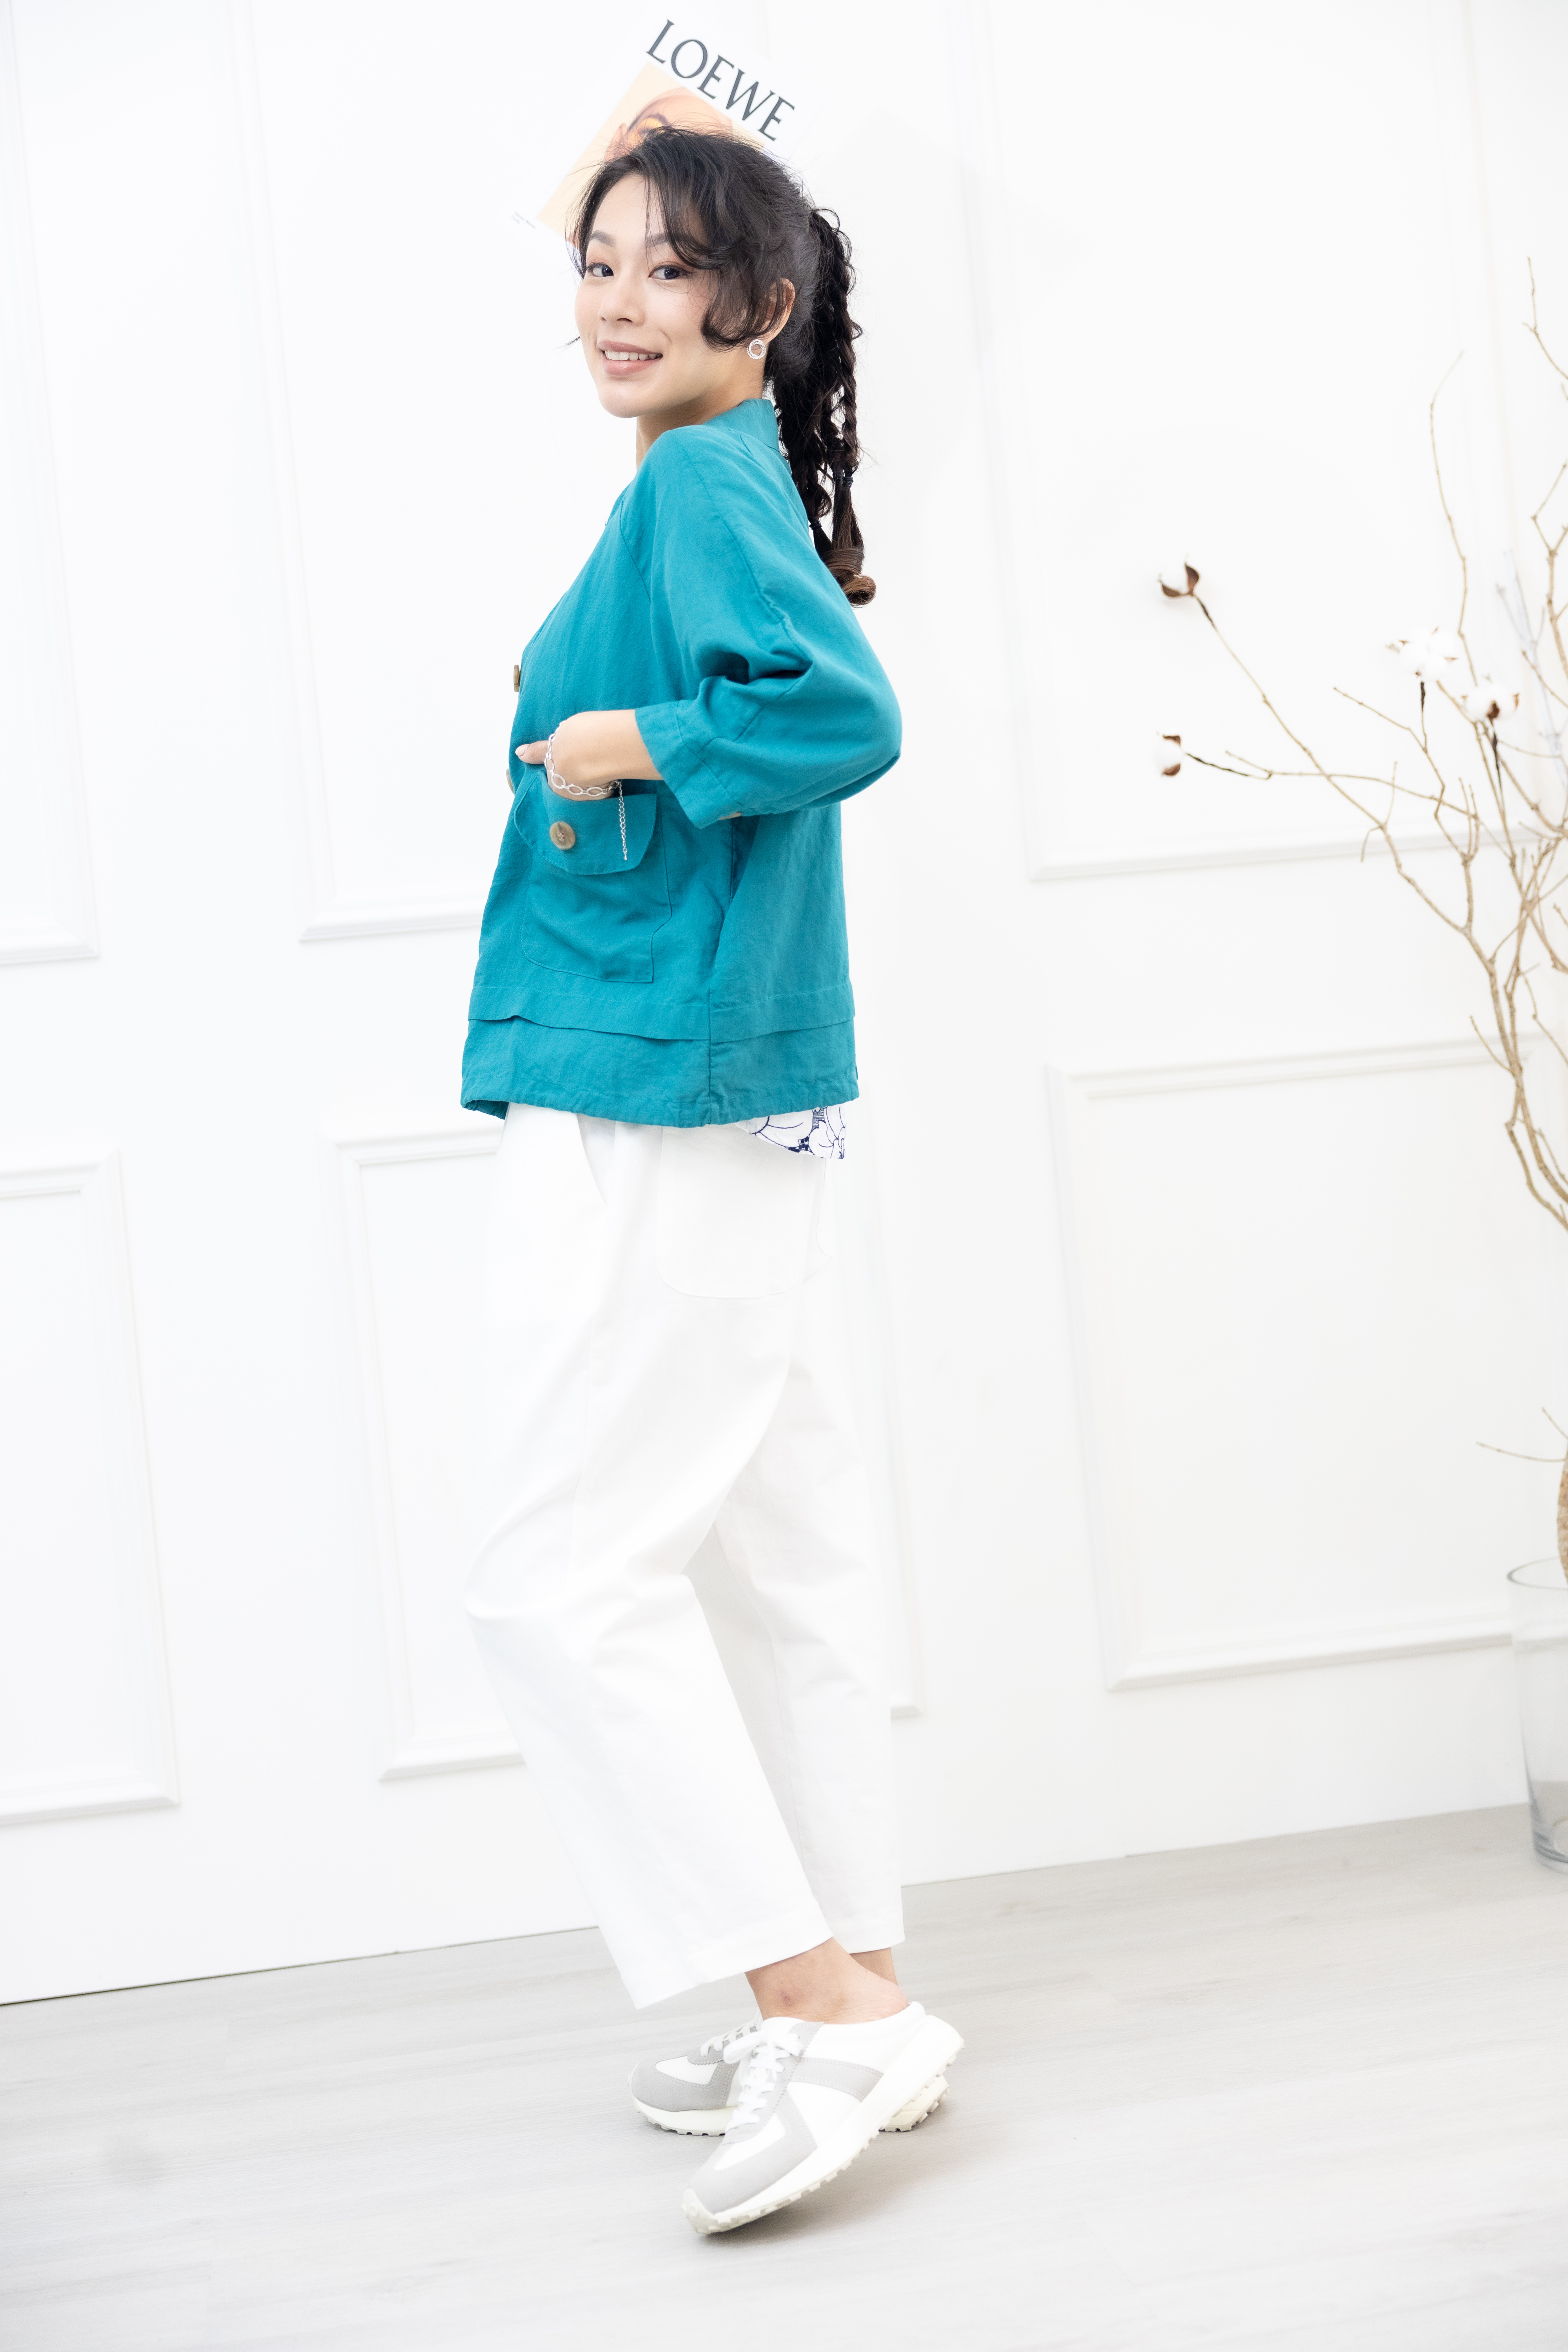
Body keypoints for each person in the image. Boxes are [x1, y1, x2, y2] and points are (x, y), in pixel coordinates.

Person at [461, 126, 960, 2236]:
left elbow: (839, 710)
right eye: (597, 263)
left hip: (664, 1078)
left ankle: (813, 2004)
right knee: (769, 1561)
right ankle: (872, 1994)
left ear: (761, 306)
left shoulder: (695, 485)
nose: (614, 300)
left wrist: (627, 743)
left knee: (557, 1576)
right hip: (718, 1073)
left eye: (668, 269)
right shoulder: (708, 470)